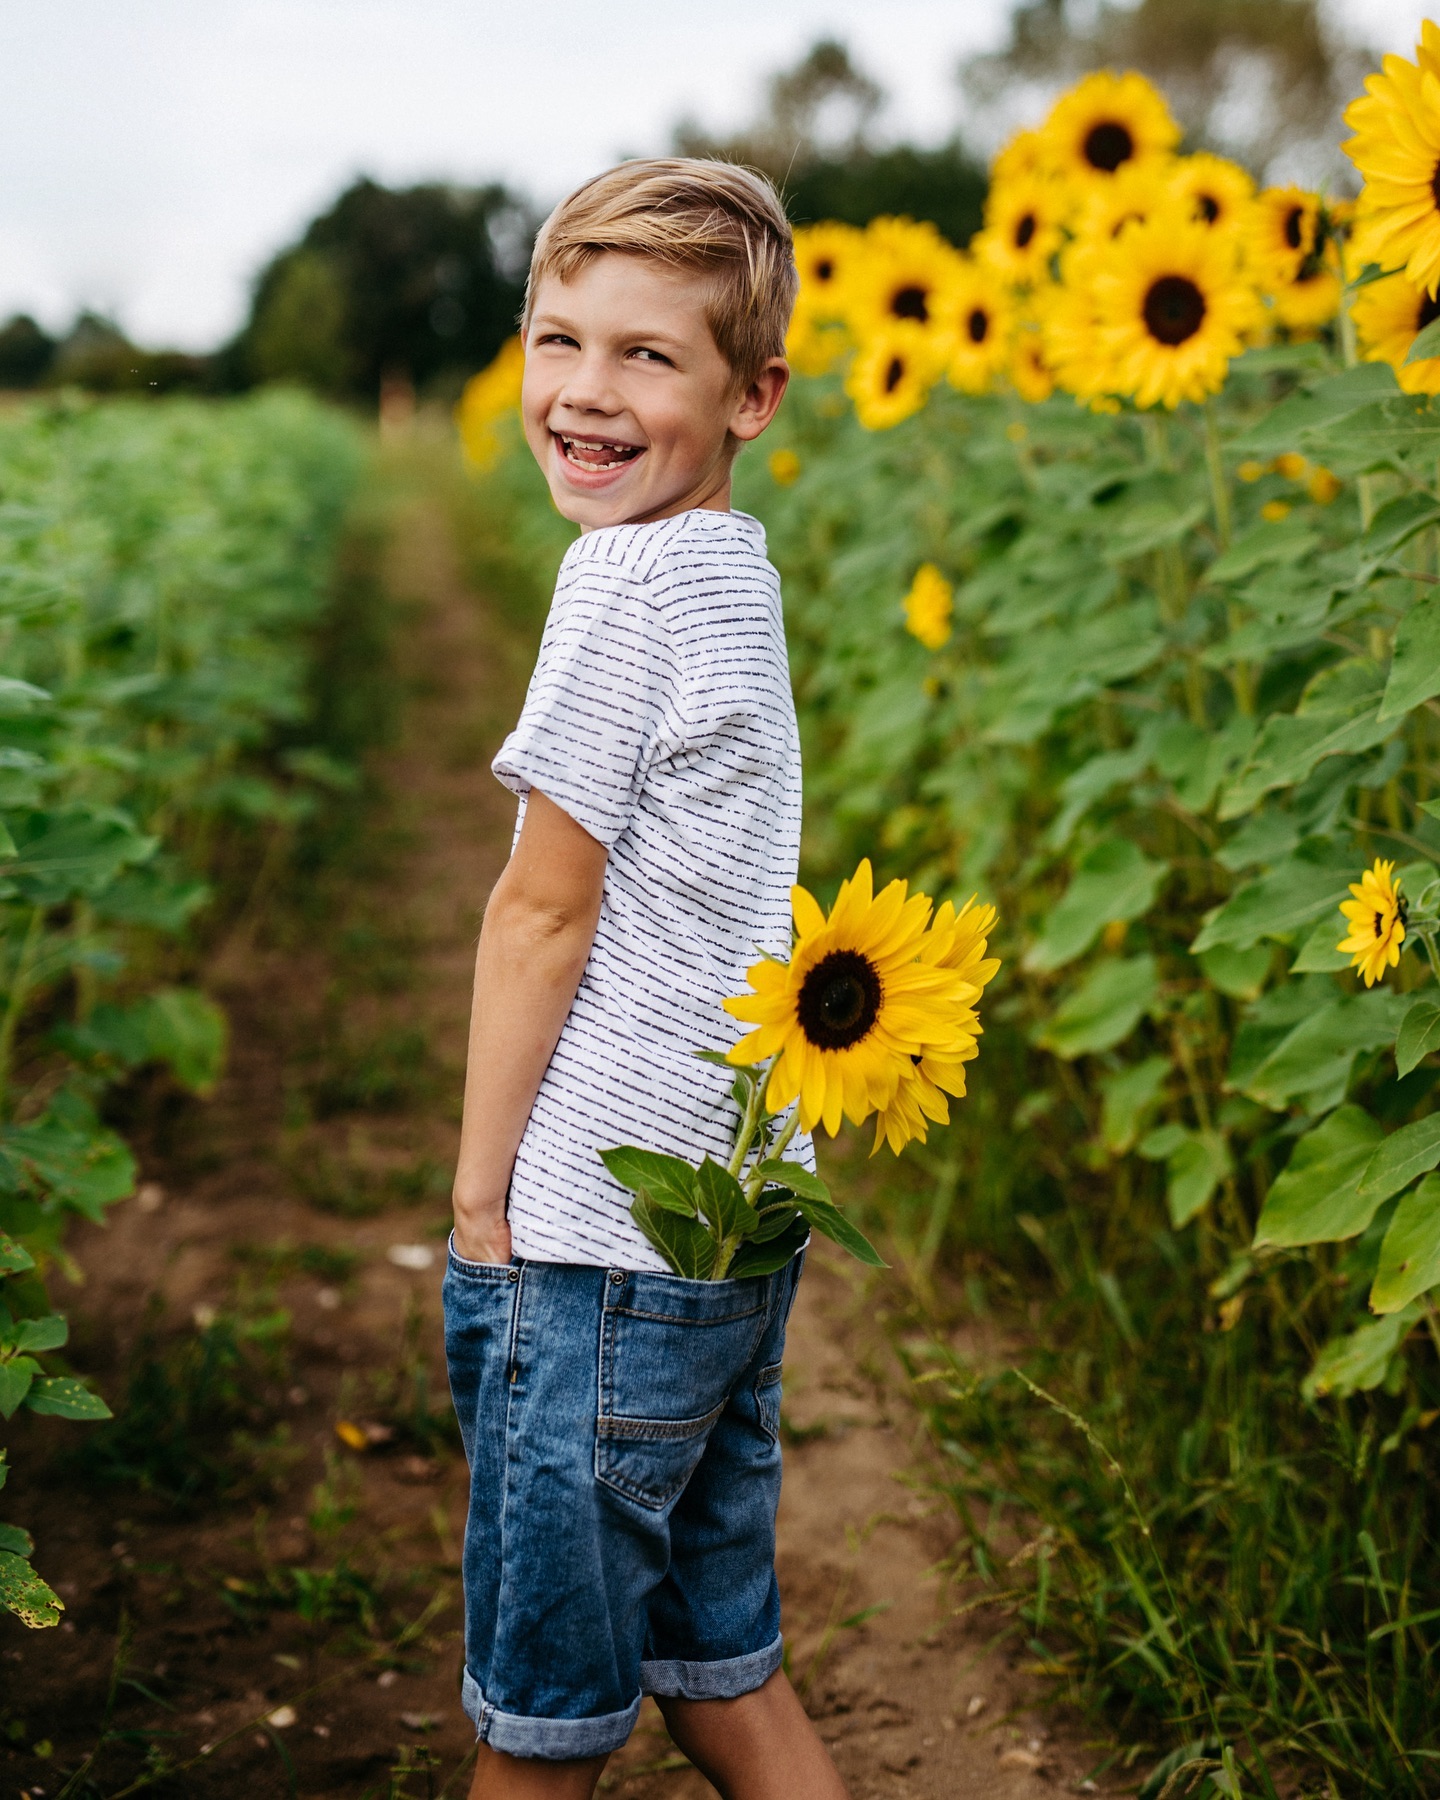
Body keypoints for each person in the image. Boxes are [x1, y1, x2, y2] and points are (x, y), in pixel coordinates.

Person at [444, 159, 848, 1800]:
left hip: (602, 1241)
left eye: (646, 356)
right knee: (719, 1670)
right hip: (727, 1218)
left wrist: (482, 1198)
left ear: (753, 395)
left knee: (542, 1728)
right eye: (559, 341)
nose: (585, 393)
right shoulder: (730, 567)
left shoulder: (619, 583)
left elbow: (543, 914)